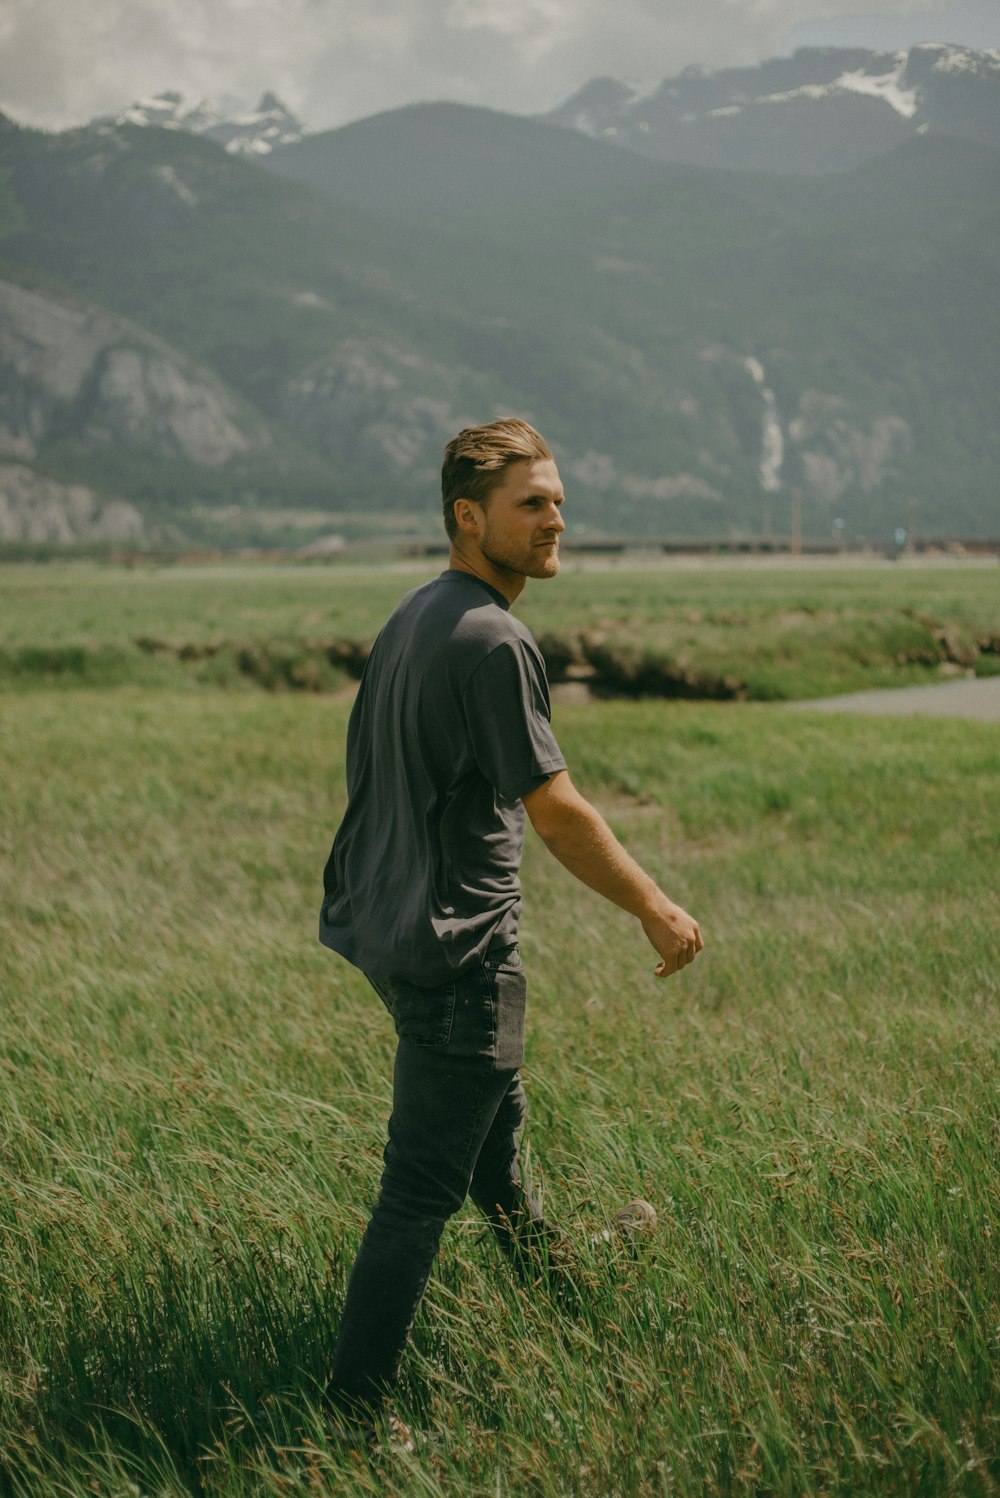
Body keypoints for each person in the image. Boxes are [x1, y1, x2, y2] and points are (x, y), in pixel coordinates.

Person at [319, 417, 702, 1433]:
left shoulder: (413, 615)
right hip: (459, 953)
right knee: (416, 1195)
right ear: (466, 516)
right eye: (531, 502)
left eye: (557, 499)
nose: (555, 518)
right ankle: (354, 1420)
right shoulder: (495, 638)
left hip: (397, 935)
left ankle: (564, 1295)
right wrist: (656, 908)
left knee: (491, 1158)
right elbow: (557, 809)